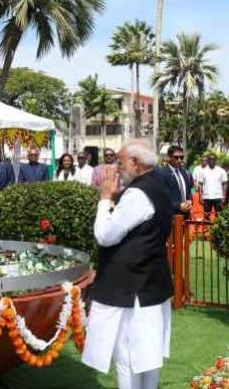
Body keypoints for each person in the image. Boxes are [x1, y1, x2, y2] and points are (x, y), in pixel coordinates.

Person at [82, 139, 172, 389]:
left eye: (120, 162)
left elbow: (105, 235)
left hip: (133, 288)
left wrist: (105, 198)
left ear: (135, 162)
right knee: (147, 355)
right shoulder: (158, 183)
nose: (116, 168)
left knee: (128, 355)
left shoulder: (137, 194)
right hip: (150, 283)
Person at [157, 145, 192, 216]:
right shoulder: (162, 174)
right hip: (171, 216)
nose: (179, 160)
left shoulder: (184, 173)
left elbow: (188, 191)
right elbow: (161, 198)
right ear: (169, 157)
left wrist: (189, 200)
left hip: (185, 214)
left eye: (182, 157)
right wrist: (178, 206)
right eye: (176, 157)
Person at [198, 155, 227, 220]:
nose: (212, 161)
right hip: (207, 197)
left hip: (218, 197)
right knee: (206, 217)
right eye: (210, 159)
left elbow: (225, 184)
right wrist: (200, 196)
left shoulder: (221, 170)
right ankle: (206, 229)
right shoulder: (203, 171)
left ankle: (217, 229)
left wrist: (224, 196)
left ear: (216, 161)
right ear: (208, 161)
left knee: (219, 217)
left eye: (213, 159)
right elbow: (200, 184)